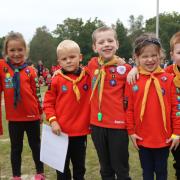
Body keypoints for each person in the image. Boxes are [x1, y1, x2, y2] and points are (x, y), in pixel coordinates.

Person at [125, 33, 180, 180]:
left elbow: (176, 109)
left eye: (153, 55)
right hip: (142, 138)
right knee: (147, 173)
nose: (150, 60)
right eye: (144, 56)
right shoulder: (132, 80)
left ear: (160, 55)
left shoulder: (168, 79)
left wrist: (177, 132)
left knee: (162, 173)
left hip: (164, 139)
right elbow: (129, 109)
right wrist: (131, 132)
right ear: (136, 58)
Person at [87, 26, 131, 180]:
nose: (106, 44)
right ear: (94, 47)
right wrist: (59, 71)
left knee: (121, 168)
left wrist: (132, 69)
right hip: (97, 125)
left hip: (118, 126)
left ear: (117, 44)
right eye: (101, 42)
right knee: (105, 169)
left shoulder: (125, 69)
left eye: (110, 40)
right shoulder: (92, 64)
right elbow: (75, 73)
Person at [43, 40, 91, 180]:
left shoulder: (88, 76)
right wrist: (53, 121)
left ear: (80, 57)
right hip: (60, 133)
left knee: (79, 168)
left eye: (72, 57)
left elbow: (101, 63)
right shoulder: (56, 80)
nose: (68, 61)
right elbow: (48, 103)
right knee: (62, 169)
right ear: (59, 61)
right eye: (64, 59)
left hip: (80, 133)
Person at [0, 32, 44, 180]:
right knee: (15, 149)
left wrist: (40, 111)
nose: (16, 53)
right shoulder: (2, 68)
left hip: (32, 116)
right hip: (14, 119)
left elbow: (37, 93)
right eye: (12, 50)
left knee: (36, 146)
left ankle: (40, 172)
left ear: (25, 51)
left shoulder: (31, 70)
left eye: (20, 50)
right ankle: (16, 175)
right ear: (6, 51)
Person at [164, 31, 180, 180]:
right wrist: (135, 69)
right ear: (172, 55)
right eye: (179, 52)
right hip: (176, 130)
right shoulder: (166, 74)